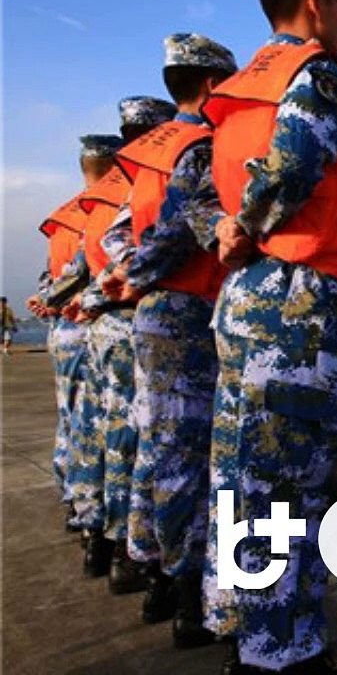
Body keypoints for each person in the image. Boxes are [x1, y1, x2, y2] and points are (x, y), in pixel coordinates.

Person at [202, 0, 337, 671]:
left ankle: (241, 624)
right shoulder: (317, 75)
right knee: (293, 482)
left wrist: (229, 230)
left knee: (244, 472)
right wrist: (247, 225)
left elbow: (210, 193)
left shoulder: (234, 95)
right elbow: (292, 166)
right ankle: (281, 653)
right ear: (316, 3)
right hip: (298, 301)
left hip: (251, 297)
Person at [105, 32, 237, 646]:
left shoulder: (147, 158)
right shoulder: (199, 147)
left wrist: (125, 272)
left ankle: (156, 575)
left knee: (159, 450)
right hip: (187, 309)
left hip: (157, 313)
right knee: (193, 459)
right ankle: (189, 598)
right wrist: (139, 273)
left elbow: (117, 233)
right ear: (210, 85)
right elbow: (184, 227)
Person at [65, 97, 177, 588]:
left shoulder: (101, 203)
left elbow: (82, 268)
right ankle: (147, 559)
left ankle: (105, 538)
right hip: (144, 317)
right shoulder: (157, 179)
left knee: (106, 434)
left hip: (107, 325)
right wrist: (133, 279)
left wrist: (92, 297)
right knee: (153, 442)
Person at [38, 135, 124, 544]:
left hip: (66, 327)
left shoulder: (69, 216)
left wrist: (47, 299)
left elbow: (56, 275)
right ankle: (106, 522)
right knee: (111, 426)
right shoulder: (110, 208)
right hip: (97, 320)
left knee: (74, 419)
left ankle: (78, 503)